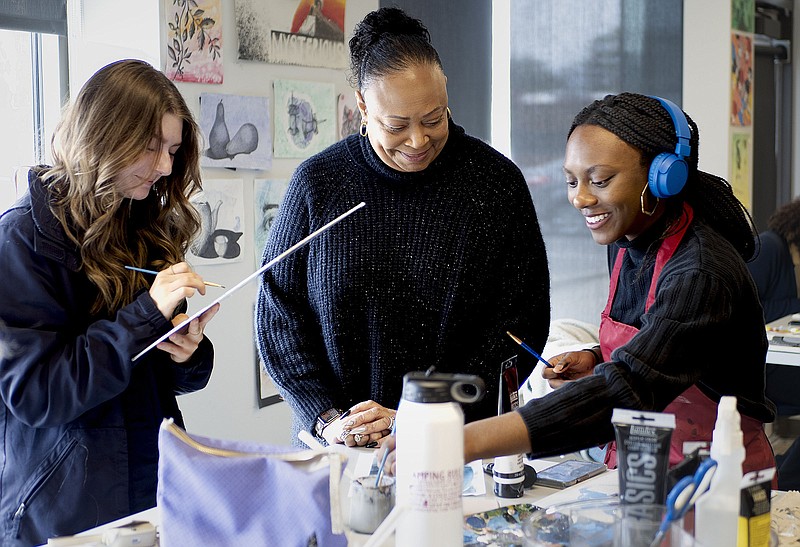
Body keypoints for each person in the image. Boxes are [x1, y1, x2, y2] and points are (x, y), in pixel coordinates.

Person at [382, 92, 777, 482]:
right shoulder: (627, 242)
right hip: (639, 471)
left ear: (663, 177)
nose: (581, 198)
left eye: (600, 180)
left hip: (715, 482)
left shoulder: (702, 273)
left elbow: (629, 388)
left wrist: (463, 441)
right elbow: (659, 339)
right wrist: (596, 357)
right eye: (572, 181)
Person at [255, 7, 550, 449]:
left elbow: (520, 325)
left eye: (434, 119)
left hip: (459, 444)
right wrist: (327, 419)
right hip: (339, 448)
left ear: (446, 90)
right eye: (397, 125)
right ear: (361, 106)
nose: (418, 140)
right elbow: (280, 316)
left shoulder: (494, 184)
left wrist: (422, 412)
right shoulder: (318, 185)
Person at [0, 59, 219, 546]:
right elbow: (38, 392)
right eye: (151, 147)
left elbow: (156, 377)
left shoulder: (139, 222)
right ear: (105, 134)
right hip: (61, 515)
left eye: (173, 150)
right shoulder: (20, 238)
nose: (164, 166)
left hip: (153, 493)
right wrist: (145, 318)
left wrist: (186, 350)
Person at [746, 198, 800, 490]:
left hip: (779, 361)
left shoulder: (790, 258)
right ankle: (788, 478)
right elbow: (744, 310)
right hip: (760, 368)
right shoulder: (770, 248)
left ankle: (788, 474)